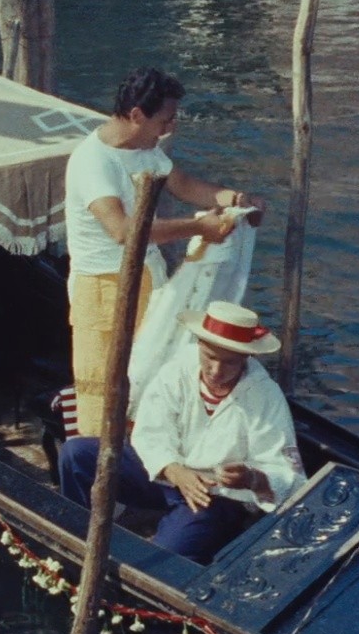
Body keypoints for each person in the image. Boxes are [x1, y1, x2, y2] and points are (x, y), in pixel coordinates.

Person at [64, 67, 264, 436]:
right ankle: (96, 461)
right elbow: (123, 231)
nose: (171, 127)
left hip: (148, 279)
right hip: (104, 288)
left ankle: (145, 453)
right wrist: (198, 227)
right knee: (105, 386)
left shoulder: (146, 149)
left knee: (150, 372)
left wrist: (236, 199)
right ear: (137, 115)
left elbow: (184, 185)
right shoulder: (93, 162)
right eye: (165, 119)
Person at [59, 301, 307, 563]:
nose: (216, 371)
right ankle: (74, 537)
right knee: (76, 454)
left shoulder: (266, 396)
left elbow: (291, 478)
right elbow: (149, 431)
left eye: (229, 363)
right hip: (165, 474)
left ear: (247, 358)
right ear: (200, 344)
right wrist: (174, 470)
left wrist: (253, 479)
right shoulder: (178, 369)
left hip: (214, 495)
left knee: (167, 558)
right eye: (209, 357)